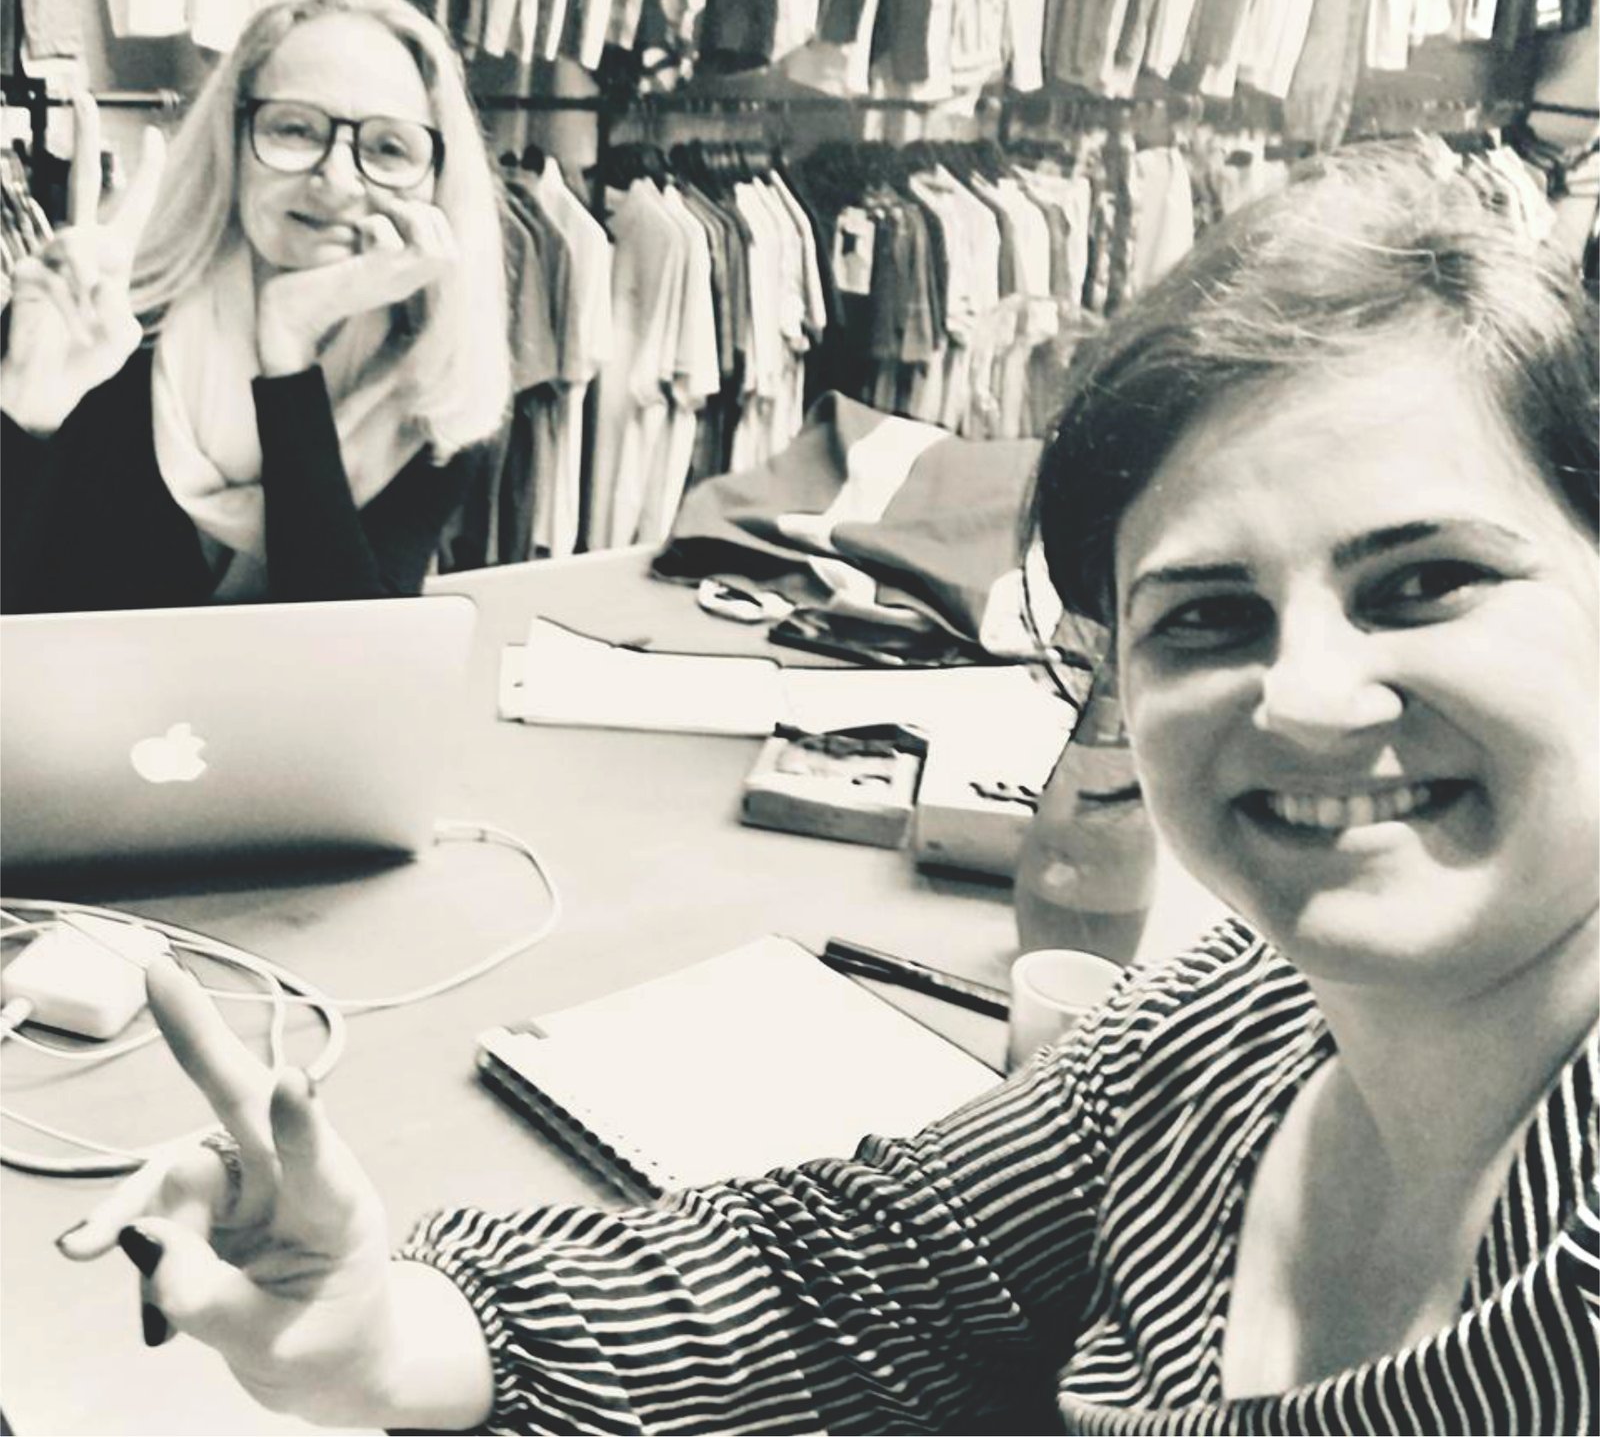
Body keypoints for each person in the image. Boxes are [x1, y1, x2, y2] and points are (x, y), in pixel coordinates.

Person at [56, 140, 1598, 1433]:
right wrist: (387, 1335)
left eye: (1425, 583)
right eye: (1205, 616)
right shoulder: (1233, 1021)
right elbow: (866, 1268)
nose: (1307, 696)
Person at [0, 0, 509, 613]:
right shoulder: (98, 325)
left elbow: (347, 646)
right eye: (295, 129)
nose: (337, 181)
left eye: (387, 147)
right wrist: (22, 421)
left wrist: (287, 350)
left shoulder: (434, 387)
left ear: (438, 178)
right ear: (233, 141)